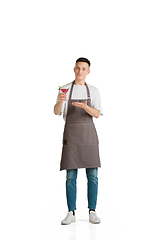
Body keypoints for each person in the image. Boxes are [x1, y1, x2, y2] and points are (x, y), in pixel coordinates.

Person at [54, 57, 103, 225]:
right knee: (70, 176)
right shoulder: (65, 89)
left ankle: (92, 211)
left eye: (84, 69)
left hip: (89, 137)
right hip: (72, 136)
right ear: (74, 69)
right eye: (77, 68)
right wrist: (60, 102)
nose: (80, 71)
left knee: (93, 176)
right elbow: (56, 112)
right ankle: (71, 212)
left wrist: (85, 107)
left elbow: (97, 114)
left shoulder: (94, 90)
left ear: (88, 72)